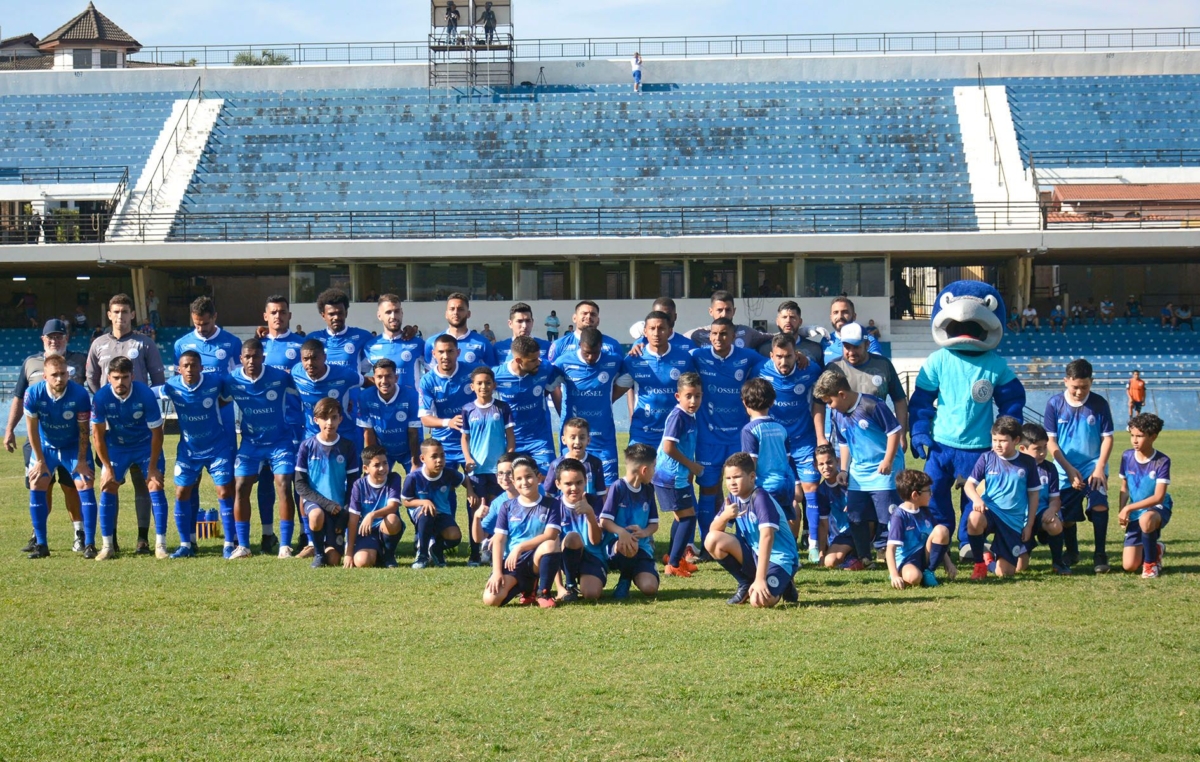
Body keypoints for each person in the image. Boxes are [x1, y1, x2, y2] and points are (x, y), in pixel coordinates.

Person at [86, 294, 165, 554]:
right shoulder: (98, 344)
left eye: (125, 311)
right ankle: (112, 540)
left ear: (132, 314)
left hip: (141, 426)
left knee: (144, 483)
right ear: (109, 315)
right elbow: (92, 378)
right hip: (112, 428)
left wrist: (139, 405)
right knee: (111, 481)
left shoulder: (144, 343)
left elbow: (157, 380)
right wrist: (110, 407)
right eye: (116, 311)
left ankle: (143, 538)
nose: (120, 316)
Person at [7, 319, 89, 554]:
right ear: (43, 339)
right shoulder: (30, 362)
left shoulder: (81, 360)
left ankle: (79, 533)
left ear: (67, 338)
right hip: (39, 439)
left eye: (59, 336)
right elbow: (19, 397)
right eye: (50, 337)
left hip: (71, 439)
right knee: (41, 485)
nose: (55, 340)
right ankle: (38, 536)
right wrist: (10, 429)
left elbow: (94, 388)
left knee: (71, 487)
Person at [815, 370, 904, 569]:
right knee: (855, 514)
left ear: (842, 394)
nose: (829, 407)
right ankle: (865, 557)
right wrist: (844, 469)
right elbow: (845, 443)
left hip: (884, 471)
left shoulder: (872, 405)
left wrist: (888, 460)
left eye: (829, 402)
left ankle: (893, 553)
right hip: (860, 472)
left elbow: (894, 432)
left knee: (888, 515)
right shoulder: (838, 414)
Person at [222, 338, 301, 560]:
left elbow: (305, 391)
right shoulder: (232, 380)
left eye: (256, 356)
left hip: (280, 442)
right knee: (240, 487)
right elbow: (217, 400)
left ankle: (285, 545)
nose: (251, 360)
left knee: (284, 485)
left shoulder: (280, 377)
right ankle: (244, 546)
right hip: (251, 444)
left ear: (263, 357)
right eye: (247, 357)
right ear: (240, 359)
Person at [690, 318, 764, 553]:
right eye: (714, 333)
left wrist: (801, 355)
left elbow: (774, 358)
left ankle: (744, 540)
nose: (718, 338)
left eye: (723, 334)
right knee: (709, 489)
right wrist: (639, 343)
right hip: (708, 438)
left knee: (742, 489)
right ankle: (706, 541)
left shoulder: (748, 357)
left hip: (737, 437)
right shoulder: (697, 356)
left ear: (733, 337)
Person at [153, 350, 235, 559]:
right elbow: (151, 393)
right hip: (189, 451)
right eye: (185, 366)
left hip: (217, 447)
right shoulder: (172, 386)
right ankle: (186, 544)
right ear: (178, 369)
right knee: (181, 492)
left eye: (193, 365)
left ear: (201, 367)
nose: (189, 369)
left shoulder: (215, 382)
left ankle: (228, 543)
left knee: (224, 491)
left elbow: (229, 395)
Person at [175, 296, 243, 539]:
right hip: (193, 429)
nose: (201, 329)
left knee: (226, 484)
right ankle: (190, 539)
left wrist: (217, 400)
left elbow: (236, 382)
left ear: (215, 317)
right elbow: (180, 381)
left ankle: (232, 538)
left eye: (205, 323)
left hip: (223, 425)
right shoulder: (181, 344)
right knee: (189, 483)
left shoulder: (232, 343)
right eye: (196, 324)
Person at [90, 357, 168, 561]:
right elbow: (97, 435)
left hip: (145, 445)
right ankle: (107, 546)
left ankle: (161, 544)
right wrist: (106, 467)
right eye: (116, 378)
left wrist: (152, 468)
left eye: (125, 377)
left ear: (132, 376)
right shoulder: (101, 397)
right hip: (117, 446)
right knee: (108, 486)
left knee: (155, 485)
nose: (120, 382)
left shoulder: (145, 394)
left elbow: (157, 433)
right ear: (109, 378)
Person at [1044, 359, 1114, 574]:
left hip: (1093, 467)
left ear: (1091, 382)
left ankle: (1100, 554)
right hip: (1065, 469)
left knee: (1099, 504)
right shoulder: (1054, 404)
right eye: (1075, 387)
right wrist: (1068, 469)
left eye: (1085, 387)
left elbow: (1108, 438)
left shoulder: (1099, 404)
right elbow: (1051, 442)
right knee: (1066, 517)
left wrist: (1100, 467)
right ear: (1066, 381)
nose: (1079, 392)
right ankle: (1072, 551)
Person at [22, 355, 95, 559]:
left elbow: (83, 431)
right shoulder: (33, 393)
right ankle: (41, 544)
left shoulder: (79, 395)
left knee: (85, 483)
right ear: (45, 376)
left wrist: (81, 461)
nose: (59, 379)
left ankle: (89, 543)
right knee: (37, 483)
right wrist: (40, 460)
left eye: (63, 374)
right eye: (54, 375)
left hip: (73, 447)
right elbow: (32, 431)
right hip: (46, 447)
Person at [705, 453, 800, 607]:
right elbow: (712, 531)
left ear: (752, 477)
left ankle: (784, 581)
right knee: (712, 539)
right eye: (728, 478)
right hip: (754, 552)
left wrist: (761, 579)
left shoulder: (761, 498)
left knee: (759, 601)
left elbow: (767, 537)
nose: (732, 483)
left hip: (778, 557)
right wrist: (725, 516)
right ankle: (745, 582)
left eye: (737, 477)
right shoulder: (733, 498)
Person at [963, 416, 1040, 580]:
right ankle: (979, 565)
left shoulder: (1027, 462)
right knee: (974, 518)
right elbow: (969, 485)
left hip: (1012, 521)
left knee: (1005, 573)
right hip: (991, 512)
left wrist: (1029, 525)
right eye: (994, 439)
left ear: (1016, 440)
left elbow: (1033, 494)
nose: (997, 444)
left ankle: (989, 561)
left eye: (1003, 440)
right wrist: (977, 500)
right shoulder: (986, 458)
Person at [482, 455, 562, 608]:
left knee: (551, 544)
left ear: (538, 478)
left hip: (535, 558)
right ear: (513, 482)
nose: (524, 482)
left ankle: (543, 592)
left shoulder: (551, 504)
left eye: (528, 477)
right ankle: (527, 588)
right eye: (518, 479)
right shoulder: (507, 506)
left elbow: (550, 535)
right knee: (490, 600)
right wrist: (497, 571)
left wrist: (520, 547)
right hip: (512, 563)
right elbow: (499, 540)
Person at [258, 294, 307, 539]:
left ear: (289, 315)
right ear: (265, 316)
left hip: (295, 424)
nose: (278, 316)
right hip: (264, 426)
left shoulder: (301, 345)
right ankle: (267, 534)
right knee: (266, 479)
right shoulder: (257, 347)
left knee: (297, 479)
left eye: (282, 311)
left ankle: (304, 532)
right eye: (273, 312)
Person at [295, 398, 361, 568]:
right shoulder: (306, 446)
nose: (329, 422)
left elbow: (354, 484)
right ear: (315, 420)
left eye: (333, 417)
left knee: (333, 560)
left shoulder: (347, 446)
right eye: (324, 418)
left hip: (338, 508)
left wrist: (346, 510)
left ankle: (328, 547)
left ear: (341, 419)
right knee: (316, 516)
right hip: (315, 503)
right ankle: (317, 553)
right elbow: (300, 485)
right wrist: (326, 503)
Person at [554, 327, 624, 484]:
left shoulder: (614, 361)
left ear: (601, 345)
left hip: (603, 437)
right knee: (572, 484)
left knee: (608, 488)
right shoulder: (563, 363)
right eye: (587, 353)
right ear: (580, 345)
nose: (591, 357)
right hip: (574, 437)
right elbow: (549, 387)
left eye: (595, 352)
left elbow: (628, 378)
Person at [616, 310, 696, 447]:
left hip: (676, 432)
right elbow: (612, 394)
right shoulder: (633, 360)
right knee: (638, 469)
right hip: (642, 433)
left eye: (661, 328)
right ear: (645, 332)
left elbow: (695, 393)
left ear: (670, 332)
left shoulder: (684, 358)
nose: (656, 333)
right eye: (652, 329)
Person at [827, 323, 908, 455]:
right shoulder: (833, 367)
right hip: (845, 439)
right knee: (843, 474)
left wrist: (901, 434)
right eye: (847, 347)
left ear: (867, 345)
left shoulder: (883, 364)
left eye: (857, 347)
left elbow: (899, 400)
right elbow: (820, 403)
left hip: (879, 436)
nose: (851, 352)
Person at [461, 366, 514, 565]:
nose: (484, 386)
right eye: (479, 383)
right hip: (477, 470)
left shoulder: (502, 408)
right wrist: (467, 457)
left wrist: (507, 460)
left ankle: (494, 551)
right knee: (475, 510)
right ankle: (475, 553)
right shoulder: (468, 409)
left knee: (498, 510)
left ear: (494, 385)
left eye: (488, 383)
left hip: (497, 471)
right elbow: (464, 438)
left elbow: (510, 438)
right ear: (472, 386)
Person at [652, 372, 703, 577]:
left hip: (678, 476)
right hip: (670, 477)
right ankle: (673, 564)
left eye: (697, 396)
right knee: (688, 518)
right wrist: (692, 466)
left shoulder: (689, 416)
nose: (693, 401)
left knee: (682, 517)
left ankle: (674, 556)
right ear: (678, 396)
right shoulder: (677, 416)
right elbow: (668, 448)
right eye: (688, 396)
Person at [492, 335, 563, 472]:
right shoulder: (496, 375)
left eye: (538, 357)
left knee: (548, 483)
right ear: (518, 360)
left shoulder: (545, 368)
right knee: (513, 484)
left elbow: (550, 387)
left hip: (539, 439)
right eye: (533, 360)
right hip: (511, 440)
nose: (538, 362)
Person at [599, 443, 660, 600]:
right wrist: (622, 532)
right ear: (644, 470)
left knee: (650, 588)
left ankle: (638, 570)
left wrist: (644, 532)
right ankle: (624, 580)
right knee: (628, 543)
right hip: (617, 546)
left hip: (642, 547)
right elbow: (604, 521)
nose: (655, 471)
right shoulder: (618, 487)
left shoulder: (648, 489)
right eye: (654, 467)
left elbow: (654, 524)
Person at [739, 378, 798, 534]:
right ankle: (790, 553)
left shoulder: (749, 430)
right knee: (782, 526)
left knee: (764, 529)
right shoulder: (781, 428)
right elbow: (786, 458)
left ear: (744, 402)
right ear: (772, 402)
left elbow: (750, 463)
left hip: (765, 487)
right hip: (785, 484)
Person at [1118, 413, 1170, 578]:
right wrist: (1122, 511)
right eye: (1132, 435)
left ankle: (1150, 564)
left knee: (1146, 520)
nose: (1134, 440)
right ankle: (1156, 548)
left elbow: (1158, 497)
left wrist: (1128, 508)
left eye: (1139, 436)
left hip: (1158, 507)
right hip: (1135, 509)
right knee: (1129, 565)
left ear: (1153, 437)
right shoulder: (1127, 456)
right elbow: (1124, 488)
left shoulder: (1162, 461)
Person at [402, 439, 467, 569]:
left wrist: (471, 492)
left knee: (455, 537)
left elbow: (465, 479)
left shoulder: (449, 473)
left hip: (442, 513)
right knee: (427, 513)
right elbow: (406, 501)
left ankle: (436, 549)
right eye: (434, 456)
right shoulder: (413, 477)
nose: (439, 460)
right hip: (421, 513)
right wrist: (423, 502)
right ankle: (422, 555)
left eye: (442, 455)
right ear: (423, 458)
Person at [886, 469, 954, 589]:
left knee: (941, 530)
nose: (931, 494)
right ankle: (910, 574)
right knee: (914, 578)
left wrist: (948, 563)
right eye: (928, 491)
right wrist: (894, 575)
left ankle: (929, 572)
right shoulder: (899, 517)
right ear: (915, 495)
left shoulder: (925, 511)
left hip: (925, 556)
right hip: (907, 560)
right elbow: (890, 549)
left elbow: (937, 539)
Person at [292, 339, 363, 451]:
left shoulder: (344, 374)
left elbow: (368, 382)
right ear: (301, 359)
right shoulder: (296, 372)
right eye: (306, 359)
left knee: (350, 468)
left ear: (324, 357)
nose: (310, 363)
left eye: (315, 358)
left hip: (343, 433)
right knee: (310, 468)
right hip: (312, 434)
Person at [418, 334, 476, 471]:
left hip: (472, 442)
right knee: (444, 490)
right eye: (441, 352)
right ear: (434, 354)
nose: (445, 356)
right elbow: (425, 419)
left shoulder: (472, 372)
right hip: (444, 445)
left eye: (450, 351)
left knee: (477, 488)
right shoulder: (427, 380)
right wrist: (448, 422)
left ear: (458, 352)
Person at [1019, 423, 1069, 575]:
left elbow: (1055, 499)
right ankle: (993, 556)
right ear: (1022, 448)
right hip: (1020, 520)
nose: (1042, 453)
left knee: (1054, 524)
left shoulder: (1050, 469)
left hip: (1041, 515)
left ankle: (1058, 562)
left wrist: (1052, 509)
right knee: (1019, 568)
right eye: (1037, 449)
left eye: (1044, 447)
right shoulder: (1016, 467)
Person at [554, 458, 607, 602]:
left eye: (579, 482)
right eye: (568, 483)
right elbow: (550, 549)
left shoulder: (595, 502)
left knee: (591, 594)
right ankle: (569, 585)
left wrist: (590, 513)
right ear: (558, 484)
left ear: (585, 482)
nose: (574, 488)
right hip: (564, 556)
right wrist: (558, 587)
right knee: (572, 538)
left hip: (592, 555)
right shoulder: (553, 507)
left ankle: (584, 579)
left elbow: (595, 541)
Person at [356, 358, 422, 474]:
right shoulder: (365, 396)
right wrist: (374, 460)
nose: (384, 381)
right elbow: (368, 431)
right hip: (383, 450)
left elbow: (413, 432)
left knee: (418, 481)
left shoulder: (411, 396)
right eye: (379, 377)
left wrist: (415, 462)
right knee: (375, 483)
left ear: (396, 378)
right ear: (374, 378)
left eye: (388, 376)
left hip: (408, 450)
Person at [344, 444, 405, 569]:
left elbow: (393, 507)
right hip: (367, 531)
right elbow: (353, 519)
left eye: (385, 463)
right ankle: (377, 553)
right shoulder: (358, 485)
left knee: (392, 519)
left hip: (386, 527)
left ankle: (389, 555)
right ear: (366, 468)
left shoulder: (394, 478)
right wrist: (349, 553)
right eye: (377, 465)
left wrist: (372, 515)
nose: (382, 468)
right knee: (362, 562)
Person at [366, 295, 425, 391]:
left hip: (411, 404)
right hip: (383, 405)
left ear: (401, 313)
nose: (393, 316)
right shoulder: (370, 346)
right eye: (388, 312)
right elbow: (358, 375)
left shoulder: (417, 343)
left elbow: (432, 373)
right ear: (379, 315)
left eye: (396, 311)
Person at [681, 291, 773, 352]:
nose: (724, 314)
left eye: (728, 310)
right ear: (711, 311)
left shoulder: (747, 332)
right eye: (719, 310)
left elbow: (772, 337)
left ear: (734, 311)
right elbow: (676, 341)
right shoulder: (697, 334)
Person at [423, 292, 496, 370]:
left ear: (468, 314)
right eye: (452, 309)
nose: (456, 312)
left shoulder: (483, 343)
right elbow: (429, 374)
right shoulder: (431, 342)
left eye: (460, 309)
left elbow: (492, 373)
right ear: (446, 314)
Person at [542, 417, 608, 502]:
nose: (577, 442)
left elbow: (601, 494)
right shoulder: (556, 464)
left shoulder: (595, 463)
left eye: (582, 437)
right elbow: (549, 495)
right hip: (564, 513)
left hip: (589, 511)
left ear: (588, 440)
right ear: (564, 440)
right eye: (573, 437)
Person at [814, 444, 858, 569]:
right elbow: (823, 524)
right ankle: (853, 557)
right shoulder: (822, 490)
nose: (826, 467)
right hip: (840, 535)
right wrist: (821, 552)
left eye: (829, 462)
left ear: (837, 461)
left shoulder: (849, 481)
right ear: (816, 466)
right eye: (821, 464)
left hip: (858, 530)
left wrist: (854, 504)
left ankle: (861, 553)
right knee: (829, 562)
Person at [310, 288, 374, 372]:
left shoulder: (363, 336)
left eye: (340, 313)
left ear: (346, 313)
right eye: (331, 314)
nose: (336, 317)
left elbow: (367, 367)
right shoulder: (313, 339)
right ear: (323, 315)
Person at [473, 451, 520, 563]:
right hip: (508, 558)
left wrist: (500, 535)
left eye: (509, 473)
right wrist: (476, 517)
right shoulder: (497, 503)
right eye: (500, 473)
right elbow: (479, 538)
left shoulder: (535, 495)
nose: (505, 477)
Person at [547, 301, 622, 361]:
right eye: (584, 313)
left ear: (598, 321)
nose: (589, 317)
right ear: (574, 318)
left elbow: (622, 375)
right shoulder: (559, 345)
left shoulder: (613, 345)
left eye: (593, 314)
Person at [823, 297, 883, 363]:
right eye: (835, 312)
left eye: (845, 312)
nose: (840, 316)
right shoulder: (825, 340)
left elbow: (877, 366)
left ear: (854, 316)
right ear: (831, 317)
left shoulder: (868, 340)